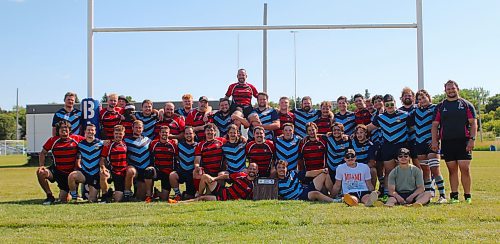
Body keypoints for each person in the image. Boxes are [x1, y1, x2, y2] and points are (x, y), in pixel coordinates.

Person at [431, 80, 477, 204]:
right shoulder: (440, 106)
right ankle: (454, 195)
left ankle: (467, 196)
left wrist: (472, 140)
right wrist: (435, 141)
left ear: (457, 88)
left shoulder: (466, 105)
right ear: (445, 90)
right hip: (447, 142)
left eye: (453, 88)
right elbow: (435, 125)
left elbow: (473, 123)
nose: (451, 91)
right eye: (448, 89)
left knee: (464, 168)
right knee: (452, 170)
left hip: (463, 141)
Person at [368, 94, 413, 200]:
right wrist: (353, 133)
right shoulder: (380, 117)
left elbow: (413, 127)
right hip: (387, 147)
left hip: (402, 147)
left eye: (391, 103)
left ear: (395, 103)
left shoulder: (405, 115)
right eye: (387, 104)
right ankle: (388, 194)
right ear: (384, 104)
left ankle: (407, 192)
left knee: (404, 170)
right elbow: (370, 127)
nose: (389, 106)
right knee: (389, 172)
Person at [36, 120, 84, 205]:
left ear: (70, 129)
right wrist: (41, 166)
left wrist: (104, 142)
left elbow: (91, 141)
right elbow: (43, 153)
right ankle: (49, 196)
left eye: (66, 127)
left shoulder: (77, 139)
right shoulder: (53, 140)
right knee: (40, 172)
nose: (64, 129)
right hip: (57, 171)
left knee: (64, 199)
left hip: (71, 173)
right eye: (61, 128)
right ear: (58, 130)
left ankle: (72, 193)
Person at [414, 89, 447, 203]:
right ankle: (427, 196)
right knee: (425, 171)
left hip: (431, 143)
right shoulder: (416, 110)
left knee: (435, 169)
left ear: (428, 96)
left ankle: (442, 195)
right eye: (419, 99)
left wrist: (436, 140)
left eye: (423, 98)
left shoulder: (435, 108)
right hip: (419, 144)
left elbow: (439, 125)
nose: (421, 101)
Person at [182, 163, 258, 202]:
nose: (252, 170)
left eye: (254, 169)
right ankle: (199, 194)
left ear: (257, 171)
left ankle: (181, 203)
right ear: (247, 170)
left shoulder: (255, 185)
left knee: (202, 199)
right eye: (250, 168)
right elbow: (226, 176)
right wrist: (215, 178)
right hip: (222, 191)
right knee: (205, 176)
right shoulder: (240, 175)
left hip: (224, 199)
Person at [68, 123, 104, 203]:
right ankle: (74, 196)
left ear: (95, 131)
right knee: (72, 176)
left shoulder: (101, 143)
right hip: (84, 173)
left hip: (95, 174)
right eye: (88, 130)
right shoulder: (80, 144)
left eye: (92, 130)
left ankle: (106, 194)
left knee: (92, 200)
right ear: (85, 131)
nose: (90, 131)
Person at [146, 125, 178, 203]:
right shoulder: (153, 143)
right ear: (159, 133)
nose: (164, 134)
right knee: (148, 171)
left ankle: (157, 193)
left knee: (164, 198)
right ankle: (149, 196)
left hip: (168, 172)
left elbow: (177, 158)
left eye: (166, 132)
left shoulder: (173, 144)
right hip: (157, 170)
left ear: (169, 133)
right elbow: (150, 156)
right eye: (162, 132)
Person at [123, 120, 152, 201]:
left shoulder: (148, 140)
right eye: (136, 127)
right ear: (132, 128)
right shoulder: (126, 140)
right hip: (134, 169)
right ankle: (127, 193)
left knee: (140, 198)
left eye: (140, 128)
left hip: (145, 170)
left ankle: (152, 193)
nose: (138, 129)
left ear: (143, 129)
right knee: (130, 171)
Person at [193, 123, 227, 192]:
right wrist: (197, 167)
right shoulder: (200, 145)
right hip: (206, 171)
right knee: (195, 172)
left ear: (215, 132)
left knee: (212, 193)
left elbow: (233, 140)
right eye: (208, 130)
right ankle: (198, 192)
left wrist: (242, 138)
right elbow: (197, 160)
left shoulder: (222, 141)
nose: (210, 132)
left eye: (211, 130)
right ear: (204, 132)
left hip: (219, 171)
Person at [99, 125, 128, 202]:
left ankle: (111, 193)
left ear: (123, 134)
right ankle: (104, 195)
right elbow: (102, 159)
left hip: (121, 172)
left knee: (117, 199)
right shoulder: (109, 144)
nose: (118, 135)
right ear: (113, 134)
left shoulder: (125, 144)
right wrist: (103, 168)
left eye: (120, 133)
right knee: (103, 174)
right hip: (112, 170)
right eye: (116, 133)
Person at [169, 126, 198, 200]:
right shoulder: (179, 145)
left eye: (190, 133)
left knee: (188, 197)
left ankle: (186, 194)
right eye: (186, 133)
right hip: (182, 171)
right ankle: (177, 194)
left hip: (192, 173)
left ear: (194, 134)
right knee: (172, 175)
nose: (188, 135)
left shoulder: (198, 145)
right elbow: (176, 155)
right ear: (184, 135)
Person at [323, 122, 350, 187]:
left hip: (342, 167)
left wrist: (347, 136)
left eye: (338, 130)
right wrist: (306, 137)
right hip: (330, 167)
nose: (336, 132)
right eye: (334, 130)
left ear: (342, 131)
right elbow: (315, 135)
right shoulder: (328, 138)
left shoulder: (347, 140)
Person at [399, 87, 420, 168]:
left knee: (418, 166)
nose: (407, 97)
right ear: (401, 98)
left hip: (416, 140)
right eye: (405, 95)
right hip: (404, 141)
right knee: (405, 166)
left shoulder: (418, 108)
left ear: (413, 97)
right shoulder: (398, 111)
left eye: (409, 95)